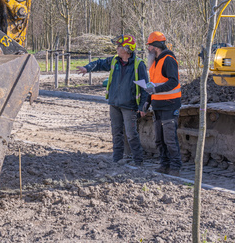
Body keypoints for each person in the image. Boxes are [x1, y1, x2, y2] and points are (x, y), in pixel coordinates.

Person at [77, 35, 148, 166]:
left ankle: (139, 161)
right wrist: (87, 68)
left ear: (127, 49)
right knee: (116, 133)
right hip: (114, 103)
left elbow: (145, 87)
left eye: (119, 46)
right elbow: (99, 63)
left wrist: (143, 106)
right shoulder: (115, 61)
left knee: (131, 134)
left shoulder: (139, 65)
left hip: (129, 105)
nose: (116, 48)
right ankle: (117, 159)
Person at [144, 31, 182, 177]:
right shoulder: (155, 62)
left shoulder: (168, 59)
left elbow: (173, 81)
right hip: (157, 105)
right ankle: (164, 164)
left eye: (149, 46)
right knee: (159, 139)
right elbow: (152, 85)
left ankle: (175, 167)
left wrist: (155, 89)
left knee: (170, 139)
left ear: (155, 46)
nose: (148, 49)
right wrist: (147, 102)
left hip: (170, 105)